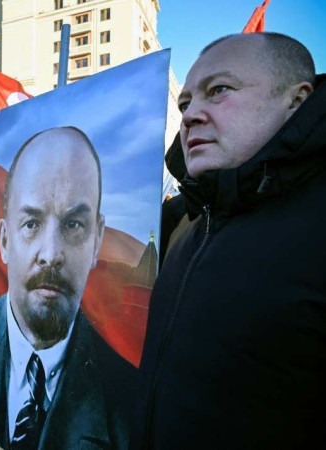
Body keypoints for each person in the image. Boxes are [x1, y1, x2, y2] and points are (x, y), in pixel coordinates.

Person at [132, 32, 326, 450]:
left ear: (297, 100)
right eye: (185, 104)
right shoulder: (184, 222)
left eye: (218, 90)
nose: (189, 117)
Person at [0, 126, 136, 450]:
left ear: (97, 239)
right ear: (3, 238)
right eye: (31, 223)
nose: (51, 255)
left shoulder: (124, 395)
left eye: (73, 224)